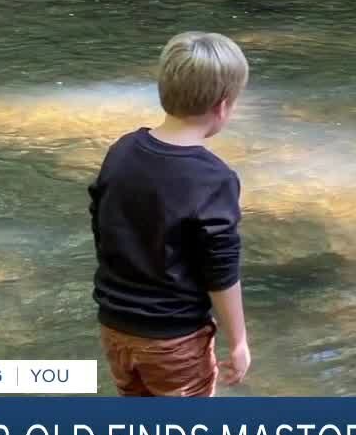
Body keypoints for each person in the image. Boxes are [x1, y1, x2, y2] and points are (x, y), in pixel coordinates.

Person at [88, 31, 251, 397]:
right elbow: (221, 271)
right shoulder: (214, 179)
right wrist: (238, 342)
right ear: (223, 106)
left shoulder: (122, 152)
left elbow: (102, 224)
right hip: (174, 340)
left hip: (115, 327)